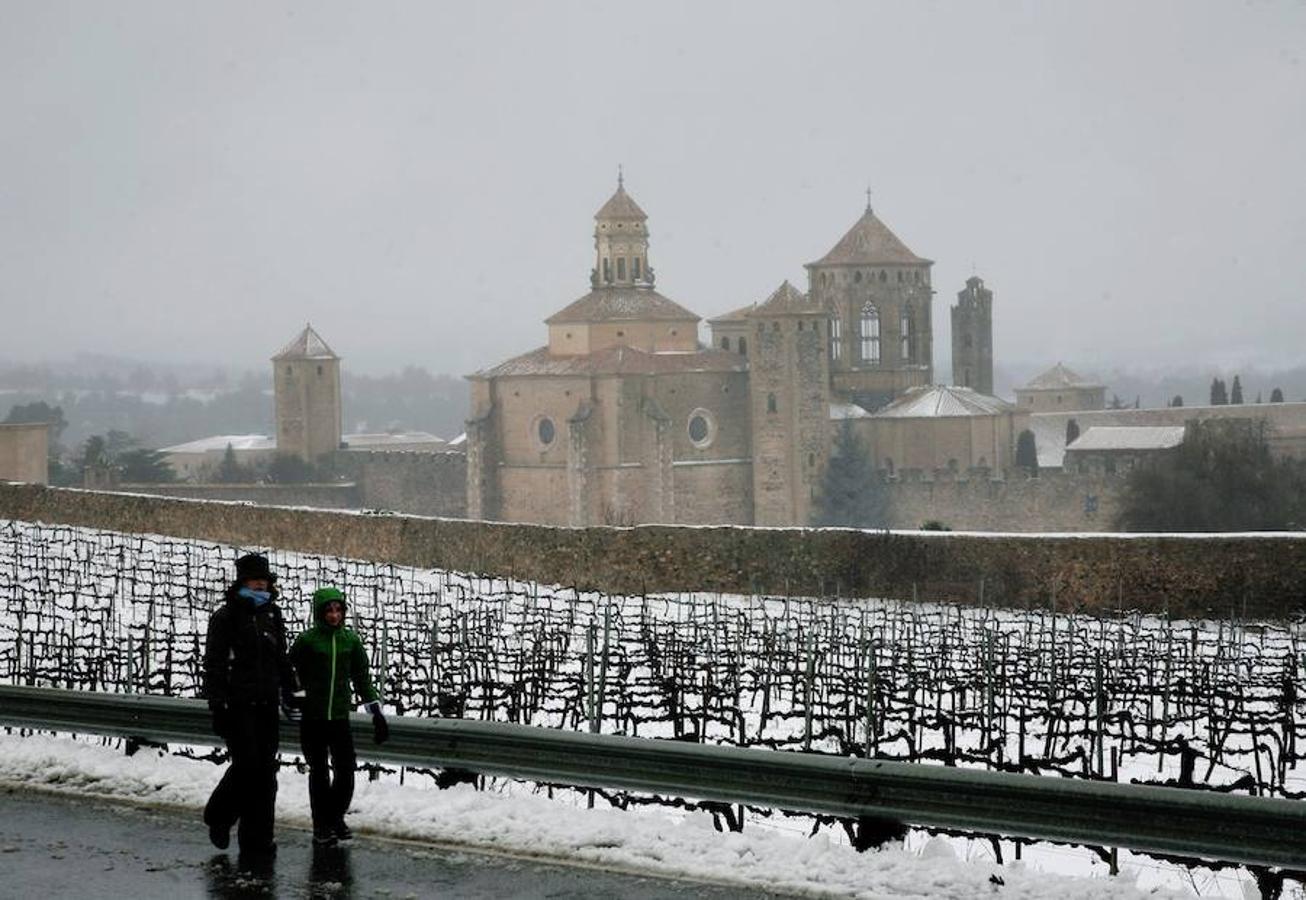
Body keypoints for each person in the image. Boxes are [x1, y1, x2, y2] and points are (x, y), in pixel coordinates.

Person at [202, 552, 301, 857]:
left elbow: (280, 658)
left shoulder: (273, 615)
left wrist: (292, 691)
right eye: (255, 580)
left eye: (264, 580)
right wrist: (218, 705)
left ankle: (258, 839)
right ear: (243, 582)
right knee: (248, 770)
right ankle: (219, 816)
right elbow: (214, 665)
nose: (261, 585)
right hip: (238, 705)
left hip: (267, 704)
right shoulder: (225, 617)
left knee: (265, 775)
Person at [291, 586, 389, 847]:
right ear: (319, 613)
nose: (334, 615)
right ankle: (321, 825)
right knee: (320, 772)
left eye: (338, 610)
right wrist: (295, 695)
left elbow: (362, 678)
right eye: (329, 611)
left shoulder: (351, 641)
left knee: (346, 771)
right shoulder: (307, 641)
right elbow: (290, 671)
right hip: (312, 718)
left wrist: (376, 712)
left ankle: (334, 816)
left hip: (339, 717)